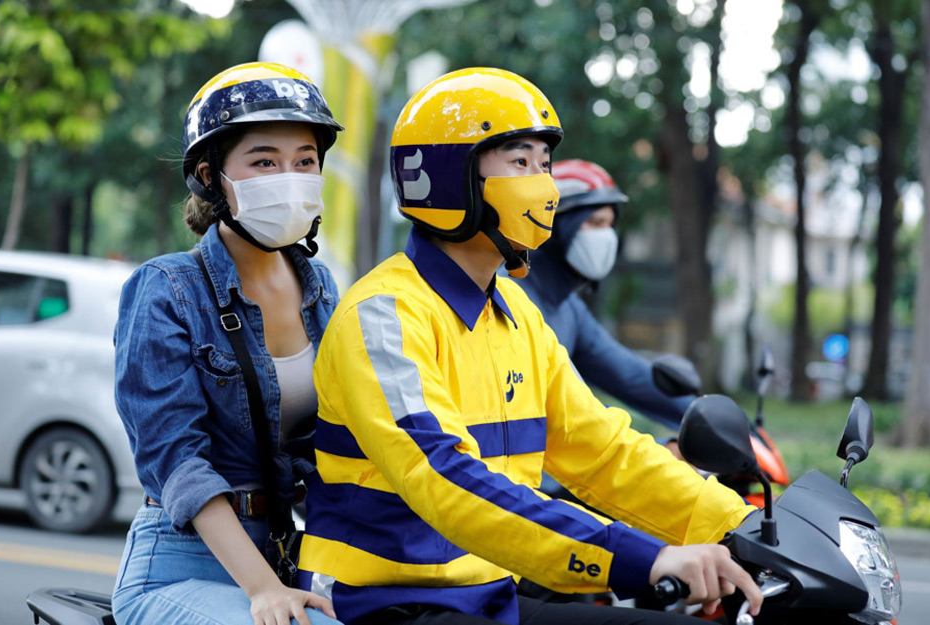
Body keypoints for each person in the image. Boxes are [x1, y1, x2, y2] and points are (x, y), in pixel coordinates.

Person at [297, 67, 763, 625]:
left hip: (487, 595)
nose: (545, 187)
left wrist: (737, 527)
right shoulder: (384, 316)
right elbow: (445, 477)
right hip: (381, 602)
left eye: (545, 166)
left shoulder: (517, 311)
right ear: (449, 179)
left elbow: (603, 451)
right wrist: (648, 556)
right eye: (520, 163)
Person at [112, 62, 344, 625]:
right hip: (181, 566)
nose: (289, 177)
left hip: (289, 557)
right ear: (210, 176)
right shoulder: (166, 289)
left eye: (304, 161)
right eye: (264, 160)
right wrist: (264, 590)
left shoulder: (322, 289)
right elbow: (178, 463)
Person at [519, 159, 694, 433]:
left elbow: (629, 375)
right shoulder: (510, 297)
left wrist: (708, 414)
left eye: (609, 225)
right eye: (594, 222)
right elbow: (562, 420)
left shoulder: (568, 308)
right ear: (554, 224)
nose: (605, 236)